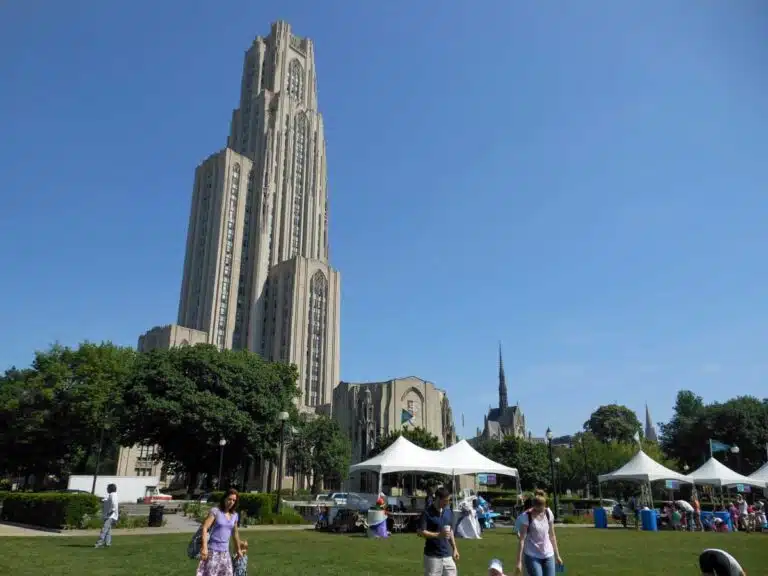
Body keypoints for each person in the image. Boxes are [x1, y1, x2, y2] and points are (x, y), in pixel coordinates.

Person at [516, 489, 563, 576]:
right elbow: (522, 540)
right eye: (536, 510)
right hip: (532, 555)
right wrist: (519, 562)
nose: (539, 512)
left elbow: (552, 536)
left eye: (541, 509)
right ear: (533, 506)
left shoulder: (549, 513)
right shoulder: (526, 516)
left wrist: (557, 556)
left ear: (544, 505)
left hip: (548, 554)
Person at [198, 488, 244, 576]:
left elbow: (235, 534)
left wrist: (238, 549)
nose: (231, 502)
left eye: (234, 500)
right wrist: (204, 547)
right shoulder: (215, 511)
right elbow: (205, 528)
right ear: (224, 499)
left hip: (225, 553)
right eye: (229, 499)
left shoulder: (234, 515)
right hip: (212, 552)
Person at [418, 486, 460, 576]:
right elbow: (421, 532)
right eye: (445, 500)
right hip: (432, 556)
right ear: (437, 499)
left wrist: (455, 548)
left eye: (448, 500)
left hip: (447, 555)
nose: (447, 503)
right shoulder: (427, 513)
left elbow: (450, 531)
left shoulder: (448, 512)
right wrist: (438, 535)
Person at [94, 483, 119, 548]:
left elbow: (114, 504)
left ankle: (99, 543)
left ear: (110, 489)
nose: (107, 489)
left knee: (104, 529)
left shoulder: (112, 495)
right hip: (111, 515)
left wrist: (111, 511)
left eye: (107, 488)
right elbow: (108, 501)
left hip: (110, 515)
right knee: (108, 530)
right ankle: (108, 543)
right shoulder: (112, 495)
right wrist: (103, 500)